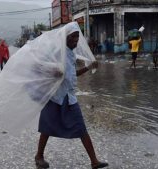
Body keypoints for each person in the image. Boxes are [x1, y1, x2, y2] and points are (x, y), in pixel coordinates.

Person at [34, 23, 109, 169]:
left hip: (69, 97)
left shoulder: (71, 54)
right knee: (46, 128)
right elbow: (39, 66)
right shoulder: (57, 52)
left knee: (81, 128)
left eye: (77, 37)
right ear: (65, 37)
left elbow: (71, 74)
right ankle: (39, 156)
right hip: (55, 97)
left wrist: (88, 67)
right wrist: (53, 72)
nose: (76, 40)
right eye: (73, 37)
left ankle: (94, 161)